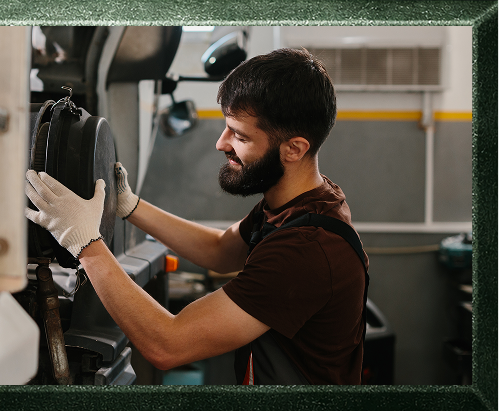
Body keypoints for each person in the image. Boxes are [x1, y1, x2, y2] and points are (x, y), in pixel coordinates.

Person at [25, 48, 368, 385]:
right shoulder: (302, 202)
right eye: (227, 127)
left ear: (294, 149)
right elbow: (220, 250)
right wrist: (129, 206)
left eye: (240, 135)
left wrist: (86, 244)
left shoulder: (306, 248)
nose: (221, 143)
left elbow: (167, 344)